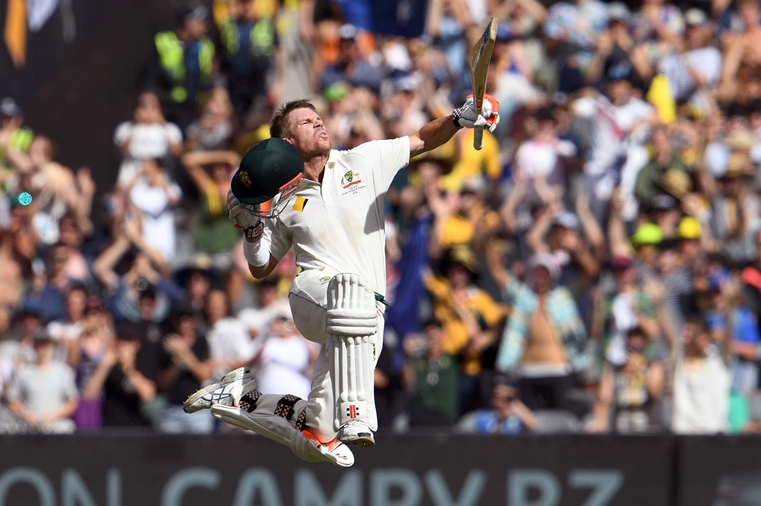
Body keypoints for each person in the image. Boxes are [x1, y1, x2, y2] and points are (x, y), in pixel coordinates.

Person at [184, 95, 500, 466]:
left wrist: (459, 119)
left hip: (368, 315)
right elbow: (260, 267)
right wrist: (254, 231)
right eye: (306, 122)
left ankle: (239, 398)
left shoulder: (362, 161)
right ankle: (358, 414)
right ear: (286, 144)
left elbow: (422, 139)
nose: (319, 124)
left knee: (318, 438)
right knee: (351, 296)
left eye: (318, 118)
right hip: (313, 295)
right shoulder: (282, 199)